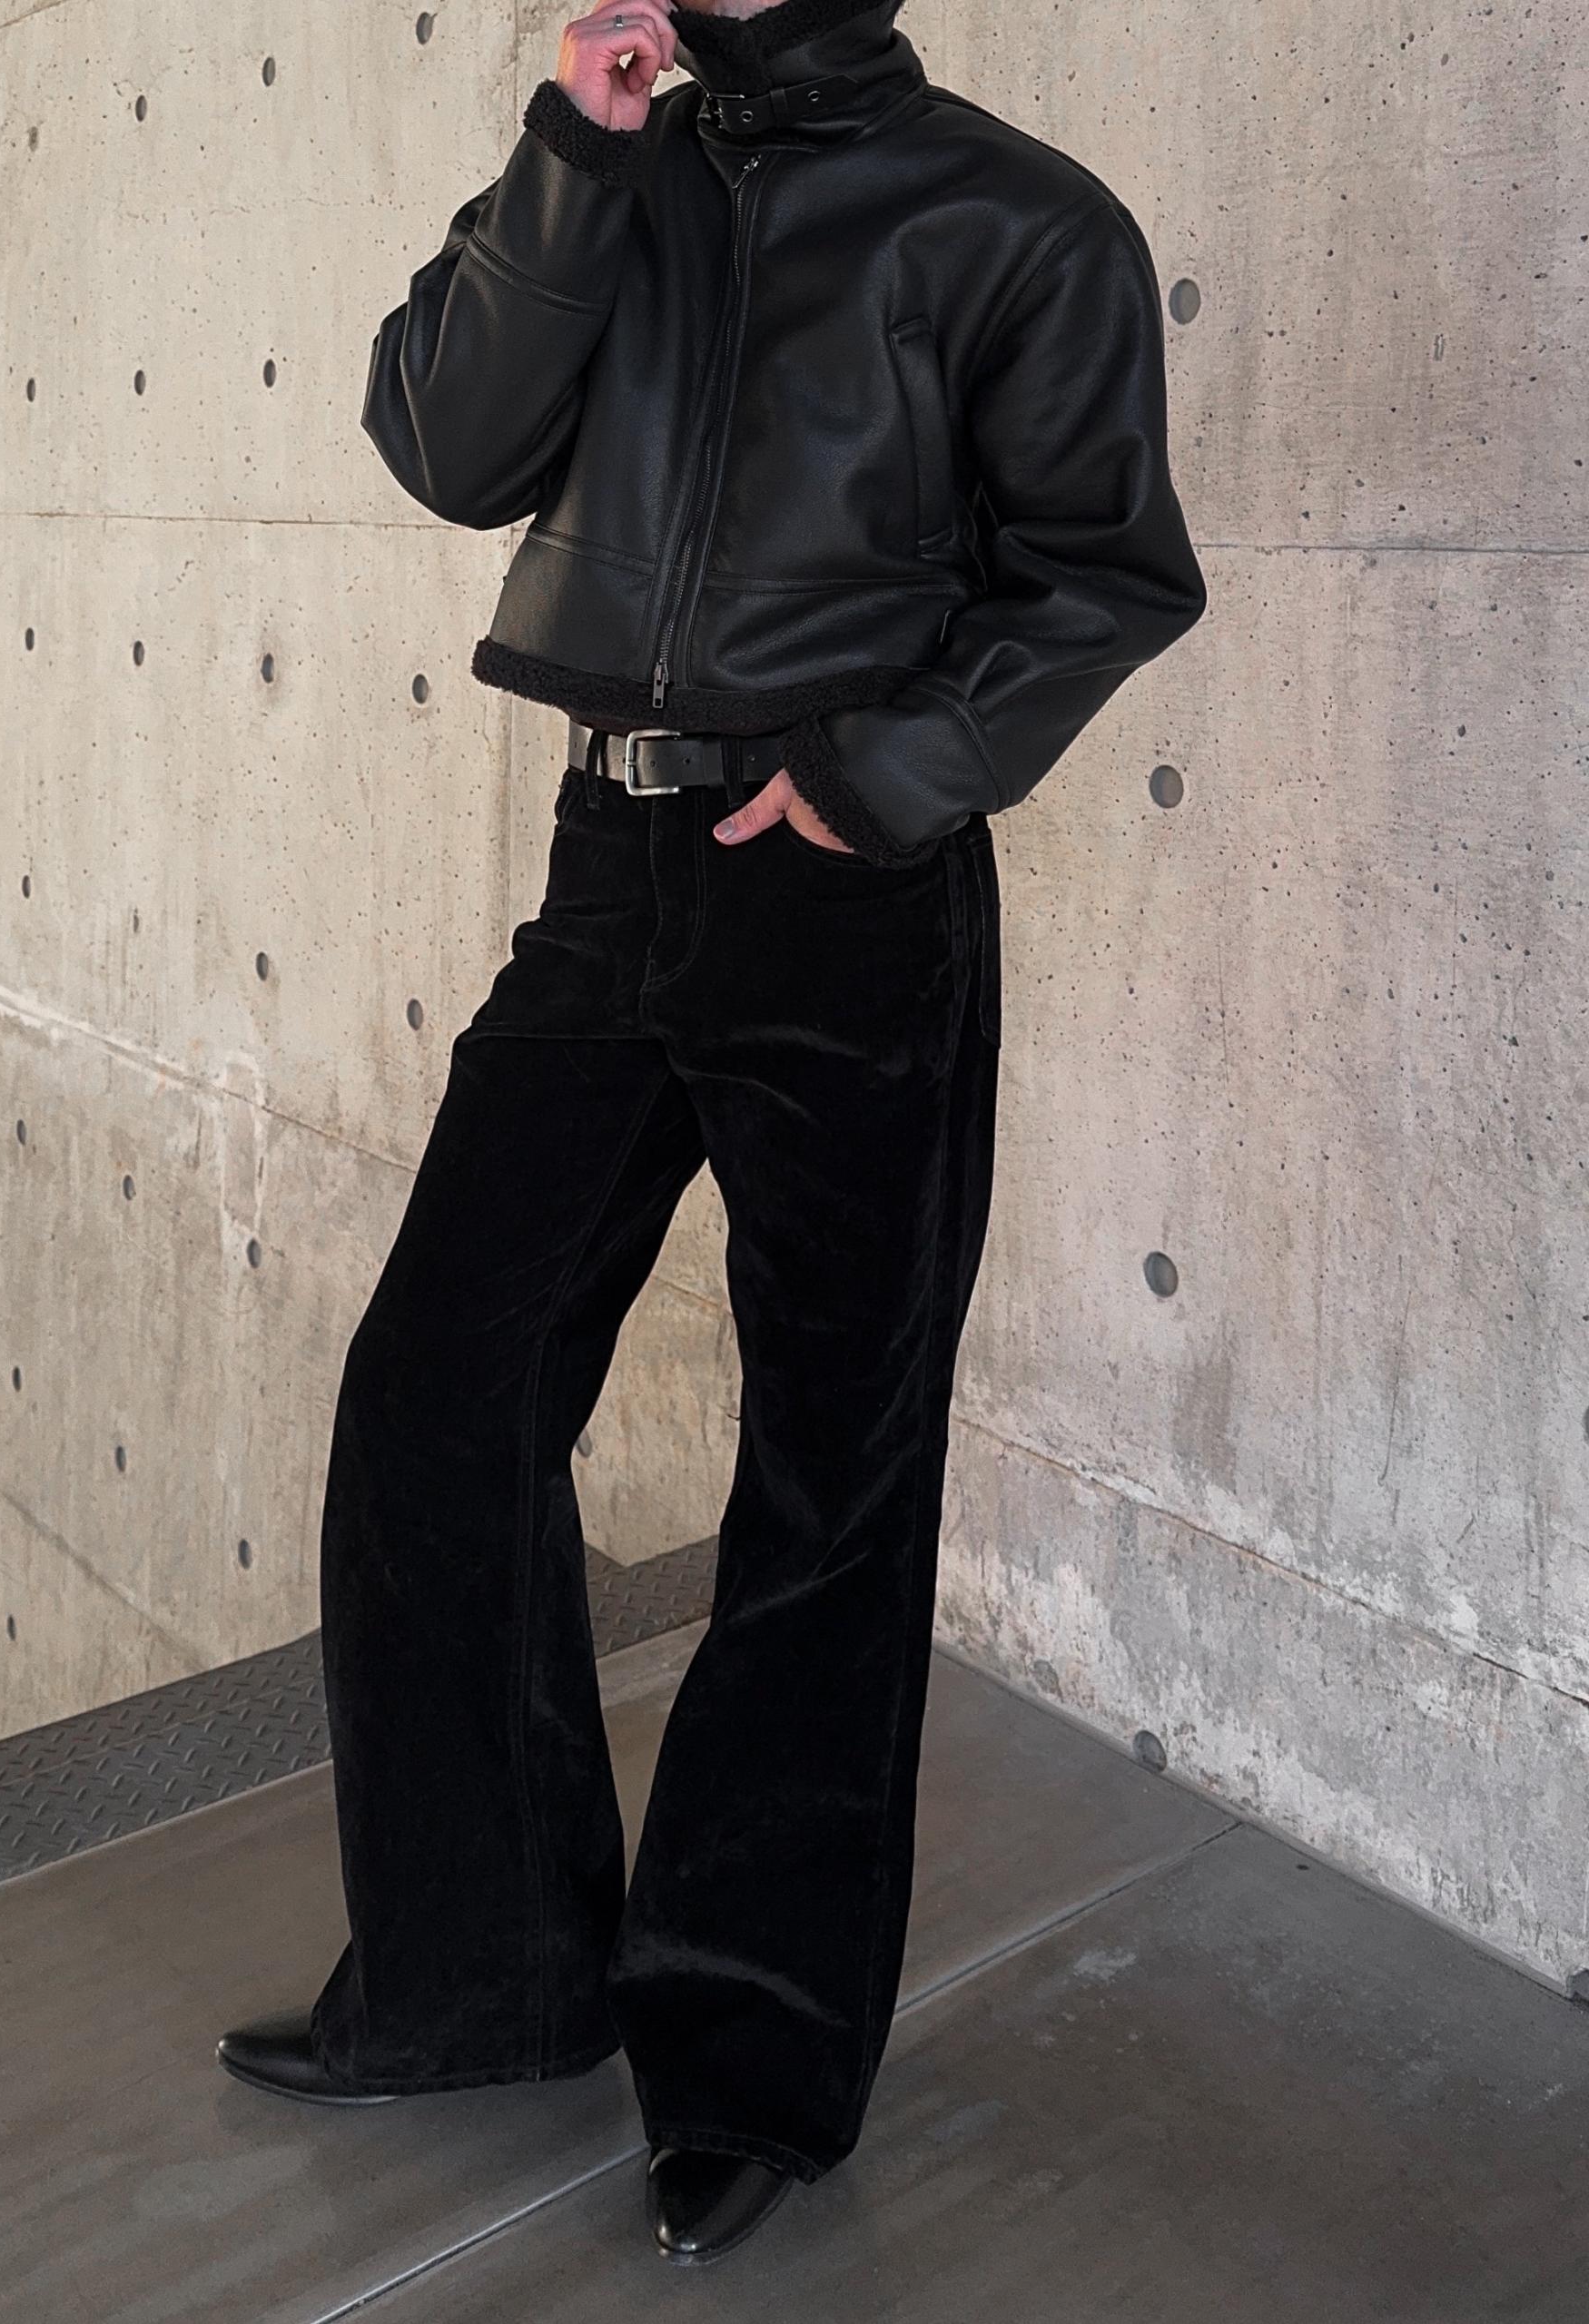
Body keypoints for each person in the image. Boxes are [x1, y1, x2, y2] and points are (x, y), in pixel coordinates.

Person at [217, 0, 1207, 2268]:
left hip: (845, 894)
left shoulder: (1017, 220)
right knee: (441, 1399)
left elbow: (1107, 572)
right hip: (610, 869)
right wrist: (569, 161)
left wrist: (879, 780)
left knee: (829, 1478)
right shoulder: (607, 171)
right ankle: (484, 1976)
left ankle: (748, 2055)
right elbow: (449, 445)